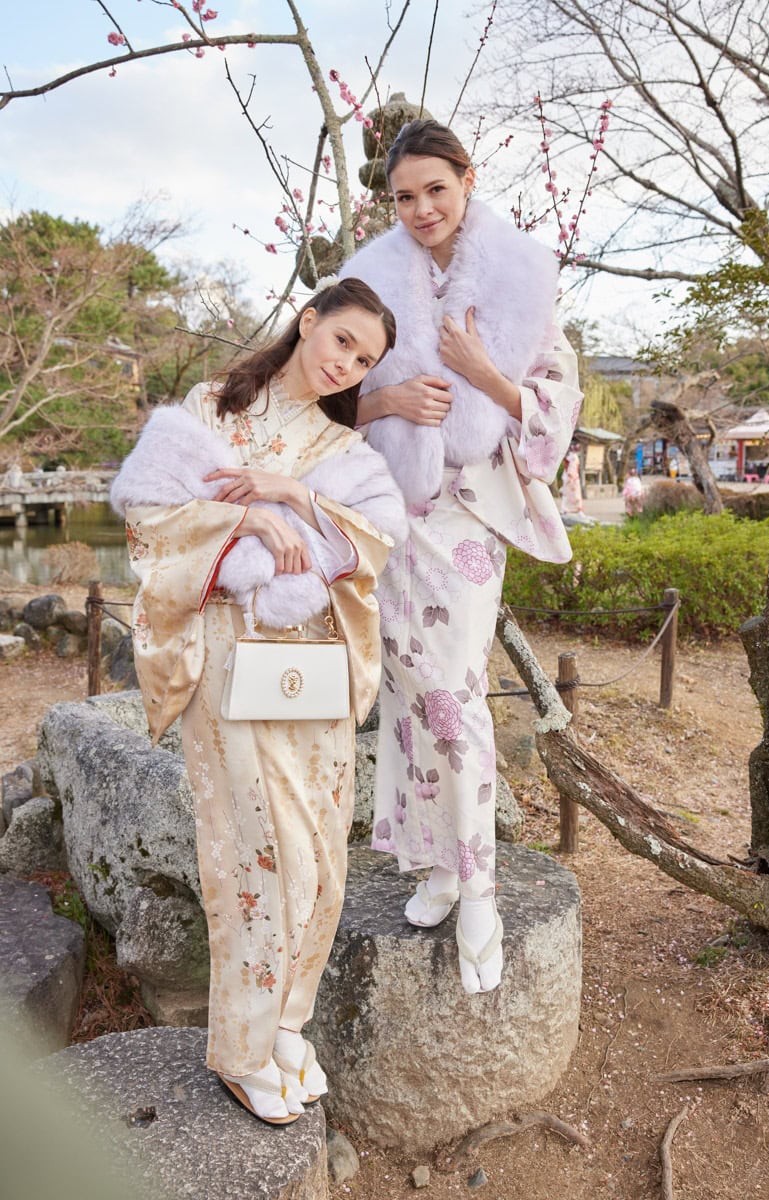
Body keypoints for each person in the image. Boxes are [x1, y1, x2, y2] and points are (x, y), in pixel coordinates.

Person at [110, 279, 407, 1125]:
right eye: (342, 340)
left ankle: (284, 1023)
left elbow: (375, 543)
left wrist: (292, 495)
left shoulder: (343, 448)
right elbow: (148, 517)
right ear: (309, 321)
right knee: (259, 855)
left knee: (322, 856)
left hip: (312, 666)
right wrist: (243, 526)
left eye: (365, 360)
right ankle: (241, 1050)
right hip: (228, 658)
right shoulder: (212, 409)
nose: (347, 365)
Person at [339, 119, 582, 994]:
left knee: (454, 694)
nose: (421, 209)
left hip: (469, 513)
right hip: (390, 510)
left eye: (435, 189)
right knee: (409, 694)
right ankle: (438, 864)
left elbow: (556, 405)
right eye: (404, 196)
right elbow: (321, 393)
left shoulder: (519, 276)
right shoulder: (370, 280)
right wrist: (388, 400)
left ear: (467, 179)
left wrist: (482, 371)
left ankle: (478, 885)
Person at [560, 443, 584, 515]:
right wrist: (572, 478)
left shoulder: (570, 456)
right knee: (574, 494)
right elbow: (571, 468)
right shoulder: (573, 457)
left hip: (568, 476)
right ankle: (578, 510)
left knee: (566, 493)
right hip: (571, 477)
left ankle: (563, 508)